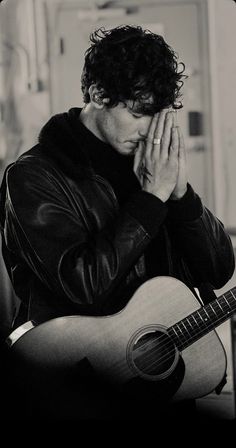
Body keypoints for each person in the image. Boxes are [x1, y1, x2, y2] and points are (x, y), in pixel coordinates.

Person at [0, 24, 234, 421]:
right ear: (99, 94)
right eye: (139, 113)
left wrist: (180, 196)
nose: (148, 132)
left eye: (156, 116)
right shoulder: (32, 175)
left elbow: (217, 270)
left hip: (163, 378)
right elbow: (82, 286)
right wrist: (149, 199)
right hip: (78, 389)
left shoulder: (150, 166)